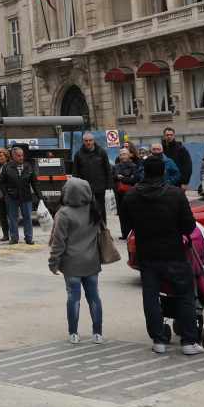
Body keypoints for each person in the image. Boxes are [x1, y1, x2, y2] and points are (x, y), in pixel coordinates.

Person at [125, 156, 202, 355]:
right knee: (185, 294)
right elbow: (189, 225)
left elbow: (127, 227)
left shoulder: (132, 196)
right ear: (163, 172)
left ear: (144, 171)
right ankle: (189, 341)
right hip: (174, 252)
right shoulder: (175, 195)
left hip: (147, 254)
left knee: (150, 296)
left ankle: (158, 340)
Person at [48, 178, 104, 344]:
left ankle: (73, 333)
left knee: (73, 297)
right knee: (94, 297)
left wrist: (53, 262)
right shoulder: (94, 210)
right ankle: (97, 333)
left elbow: (59, 242)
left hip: (71, 263)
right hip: (92, 261)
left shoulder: (63, 213)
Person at [0, 145, 39, 245]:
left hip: (26, 197)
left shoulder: (28, 166)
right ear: (13, 156)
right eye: (18, 156)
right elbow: (2, 182)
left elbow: (34, 183)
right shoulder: (7, 167)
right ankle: (14, 238)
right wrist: (6, 194)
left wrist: (40, 197)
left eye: (22, 155)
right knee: (13, 218)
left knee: (28, 217)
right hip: (12, 197)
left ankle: (29, 238)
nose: (21, 157)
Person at [73, 133, 111, 228]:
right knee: (86, 209)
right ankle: (88, 230)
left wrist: (109, 184)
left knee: (101, 209)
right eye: (86, 141)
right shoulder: (78, 154)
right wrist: (76, 186)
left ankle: (103, 229)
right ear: (83, 141)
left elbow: (107, 169)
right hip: (85, 188)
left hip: (99, 186)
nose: (88, 142)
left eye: (90, 140)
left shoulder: (102, 152)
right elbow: (75, 172)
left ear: (93, 141)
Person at [111, 148, 140, 242]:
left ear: (129, 155)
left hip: (131, 194)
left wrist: (122, 178)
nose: (123, 156)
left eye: (125, 154)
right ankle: (124, 234)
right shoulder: (115, 167)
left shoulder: (134, 166)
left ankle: (132, 233)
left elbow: (134, 179)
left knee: (132, 213)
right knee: (122, 214)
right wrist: (120, 177)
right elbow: (113, 177)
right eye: (121, 154)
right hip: (119, 193)